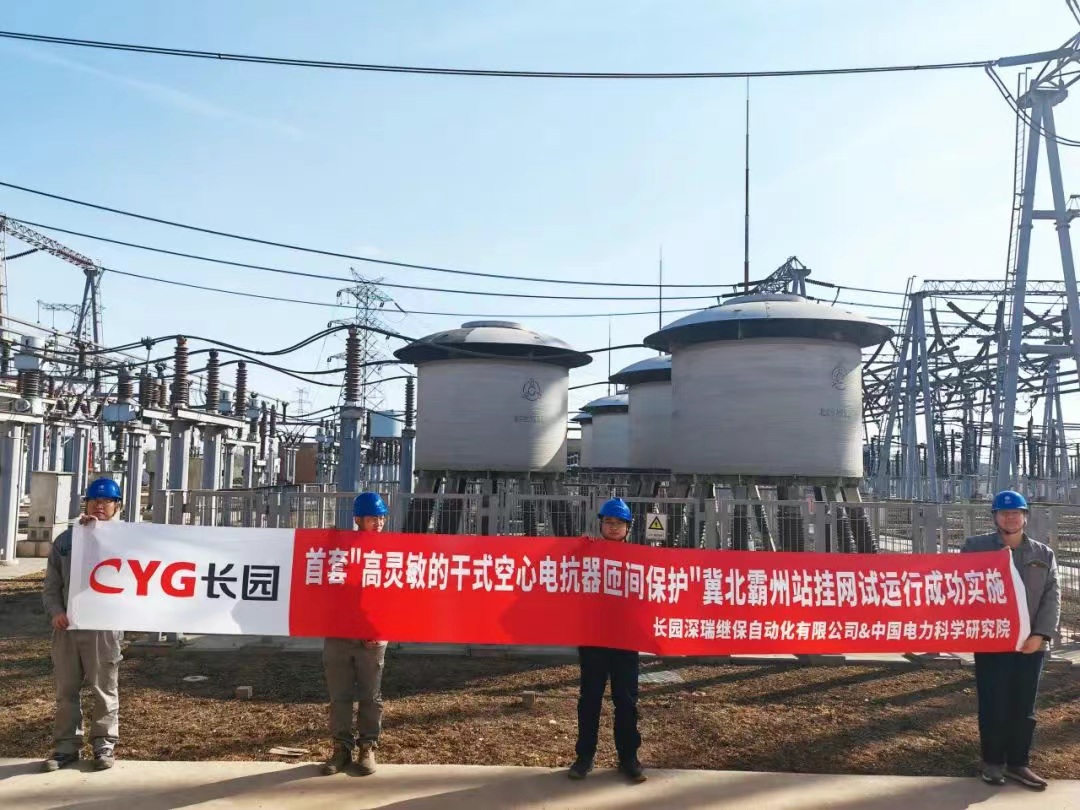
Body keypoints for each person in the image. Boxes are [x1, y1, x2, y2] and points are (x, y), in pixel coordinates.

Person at [961, 490, 1060, 791]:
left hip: (1030, 644)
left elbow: (1051, 597)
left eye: (1016, 512)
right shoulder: (975, 548)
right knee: (993, 702)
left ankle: (1018, 762)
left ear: (1025, 516)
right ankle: (992, 761)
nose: (1010, 517)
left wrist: (1040, 635)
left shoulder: (1042, 554)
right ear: (995, 517)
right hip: (992, 641)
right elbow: (959, 585)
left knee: (1023, 705)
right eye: (1004, 513)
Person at [40, 477, 125, 772]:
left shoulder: (126, 540)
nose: (100, 506)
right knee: (66, 691)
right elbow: (51, 586)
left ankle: (104, 745)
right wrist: (56, 612)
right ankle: (66, 747)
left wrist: (101, 536)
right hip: (67, 629)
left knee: (104, 689)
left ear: (117, 506)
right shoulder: (66, 541)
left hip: (103, 628)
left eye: (107, 501)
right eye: (94, 500)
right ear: (86, 504)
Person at [569, 497, 646, 784]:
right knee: (590, 698)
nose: (613, 527)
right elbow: (562, 569)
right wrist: (578, 548)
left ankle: (629, 758)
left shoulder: (640, 558)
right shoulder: (587, 553)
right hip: (593, 637)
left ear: (628, 527)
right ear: (601, 524)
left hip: (626, 638)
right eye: (608, 522)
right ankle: (584, 756)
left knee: (626, 701)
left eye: (619, 523)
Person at [321, 492, 390, 776]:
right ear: (358, 519)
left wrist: (381, 628)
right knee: (340, 696)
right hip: (339, 633)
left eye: (382, 518)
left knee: (371, 696)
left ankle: (368, 747)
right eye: (373, 518)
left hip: (372, 636)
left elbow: (395, 596)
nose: (379, 523)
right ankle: (341, 749)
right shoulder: (339, 549)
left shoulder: (391, 552)